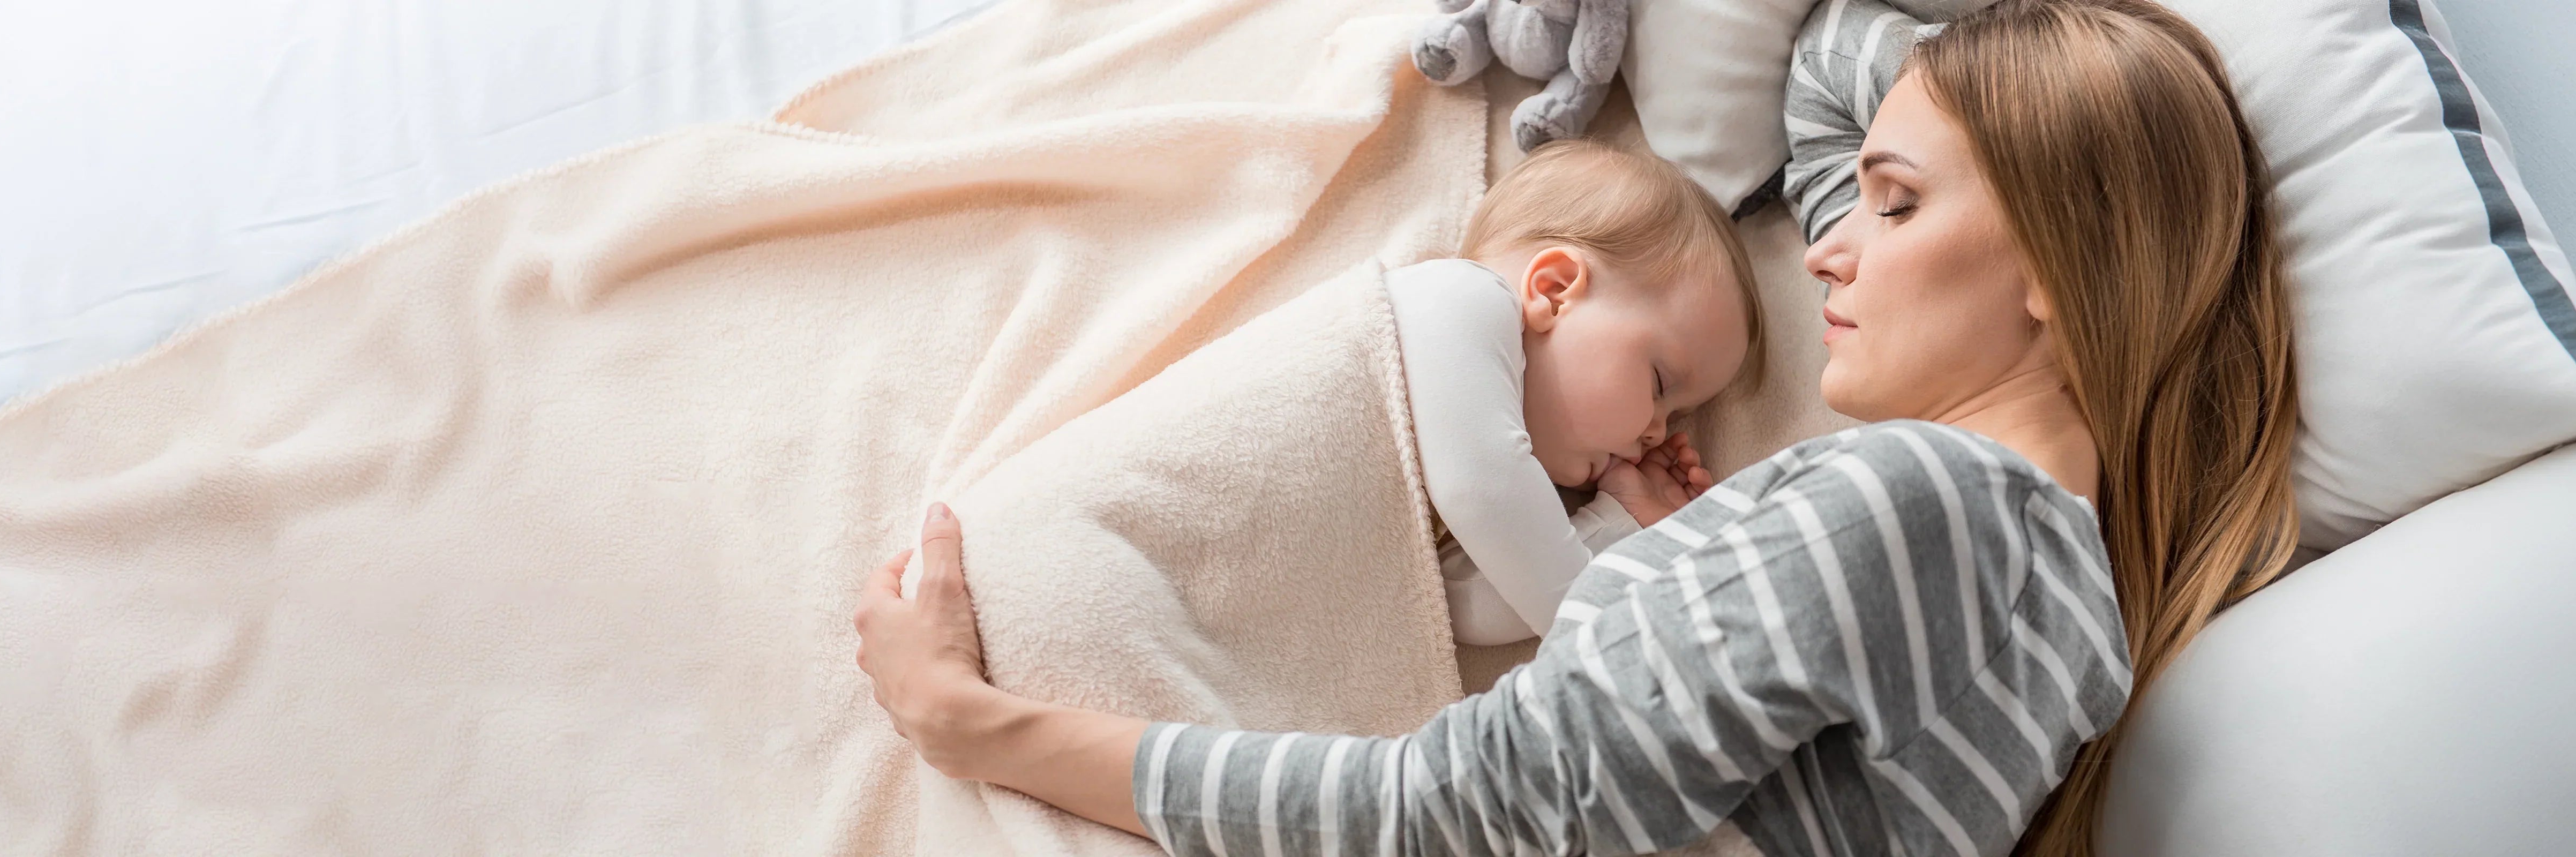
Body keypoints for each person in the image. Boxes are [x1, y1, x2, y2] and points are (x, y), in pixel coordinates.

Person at [853, 0, 2301, 854]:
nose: (1828, 250)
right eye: (1859, 200)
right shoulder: (2073, 609)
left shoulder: (1914, 507)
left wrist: (982, 725)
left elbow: (1453, 819)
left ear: (2059, 268)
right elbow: (1824, 89)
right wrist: (1699, 567)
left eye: (1899, 206)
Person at [1392, 139, 1765, 645]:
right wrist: (1612, 639)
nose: (1658, 433)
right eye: (1660, 385)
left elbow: (1449, 606)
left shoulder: (1482, 506)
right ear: (1555, 291)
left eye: (1678, 416)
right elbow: (1482, 490)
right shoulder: (1455, 299)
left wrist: (1621, 524)